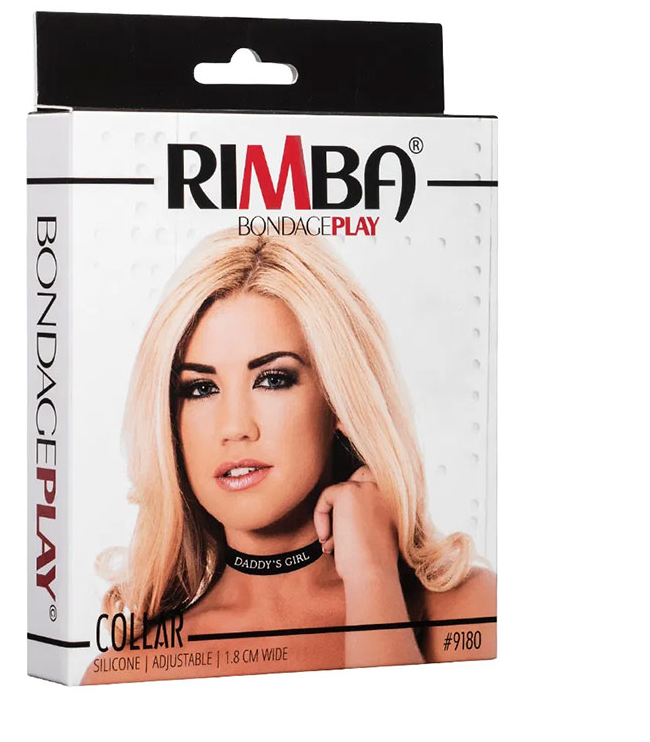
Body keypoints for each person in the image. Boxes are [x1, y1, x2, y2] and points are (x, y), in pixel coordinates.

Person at [83, 229, 495, 683]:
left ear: (339, 400)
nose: (235, 427)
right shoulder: (128, 674)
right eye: (201, 388)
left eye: (273, 379)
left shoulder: (473, 615)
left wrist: (372, 578)